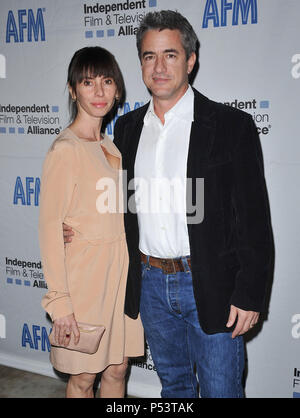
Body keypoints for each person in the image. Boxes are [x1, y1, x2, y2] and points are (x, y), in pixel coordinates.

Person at [64, 11, 273, 398]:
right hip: (150, 286)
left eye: (170, 55)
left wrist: (250, 293)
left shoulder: (231, 126)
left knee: (221, 390)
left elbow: (254, 219)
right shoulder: (126, 130)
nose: (159, 67)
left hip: (212, 284)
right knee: (174, 389)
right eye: (148, 56)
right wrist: (76, 227)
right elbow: (118, 205)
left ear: (190, 61)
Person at [39, 46, 144, 398]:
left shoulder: (113, 148)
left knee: (118, 369)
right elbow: (50, 229)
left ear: (118, 90)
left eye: (107, 81)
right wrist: (61, 303)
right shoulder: (65, 150)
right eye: (88, 82)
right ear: (73, 90)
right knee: (83, 377)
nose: (99, 92)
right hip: (85, 282)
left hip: (121, 277)